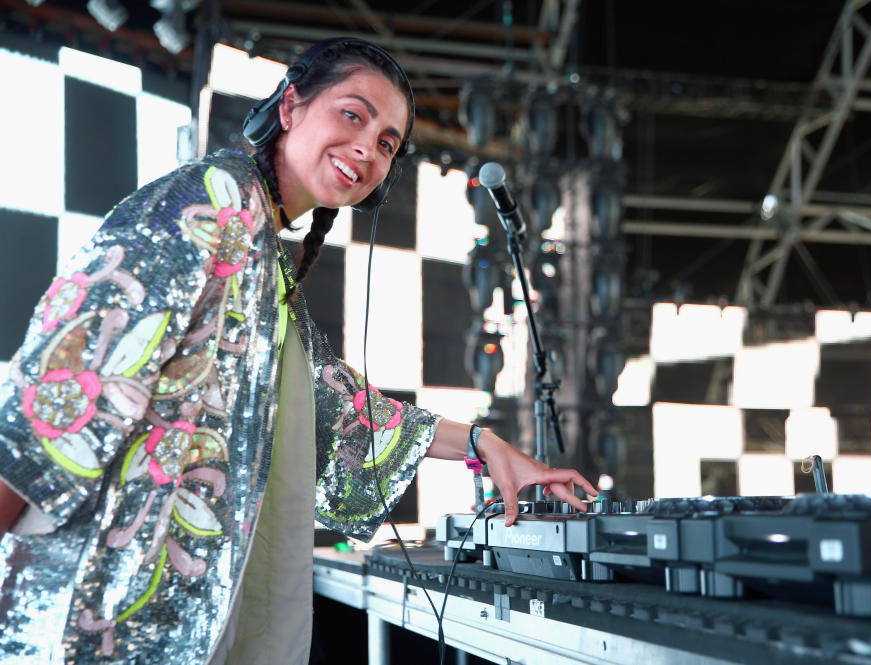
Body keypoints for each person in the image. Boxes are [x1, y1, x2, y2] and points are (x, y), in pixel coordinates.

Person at [0, 38, 596, 665]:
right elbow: (63, 393)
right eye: (352, 114)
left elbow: (334, 411)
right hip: (96, 618)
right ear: (290, 107)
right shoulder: (207, 203)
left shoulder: (260, 249)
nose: (368, 148)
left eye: (388, 142)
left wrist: (484, 444)